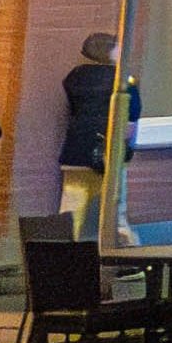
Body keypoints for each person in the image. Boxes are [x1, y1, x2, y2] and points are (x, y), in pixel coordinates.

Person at [54, 31, 125, 230]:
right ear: (108, 52)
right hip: (105, 150)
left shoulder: (75, 77)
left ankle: (68, 252)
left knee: (72, 210)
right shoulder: (118, 81)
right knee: (109, 212)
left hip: (75, 149)